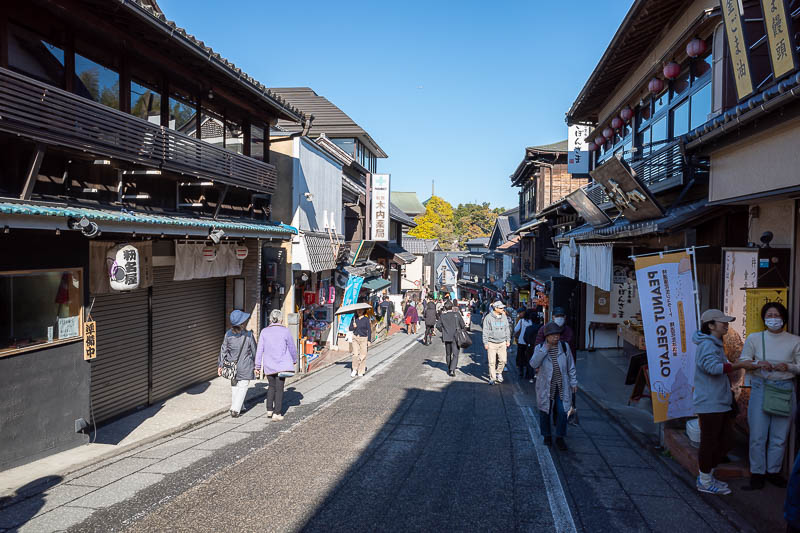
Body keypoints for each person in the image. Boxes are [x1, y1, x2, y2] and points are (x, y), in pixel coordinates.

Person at [739, 302, 800, 489]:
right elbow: (743, 360)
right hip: (761, 387)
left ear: (784, 318)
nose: (773, 319)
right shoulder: (755, 338)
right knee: (758, 434)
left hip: (784, 389)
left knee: (779, 435)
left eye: (777, 315)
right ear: (764, 318)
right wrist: (758, 363)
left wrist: (787, 366)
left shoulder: (795, 340)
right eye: (769, 315)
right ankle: (757, 473)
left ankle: (773, 471)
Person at [692, 309, 753, 494]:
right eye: (722, 322)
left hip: (719, 400)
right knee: (711, 441)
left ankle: (707, 475)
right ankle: (704, 480)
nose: (726, 325)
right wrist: (740, 365)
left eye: (726, 322)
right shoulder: (707, 345)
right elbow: (713, 367)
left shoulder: (715, 343)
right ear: (710, 325)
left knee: (725, 440)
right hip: (710, 401)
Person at [530, 322, 577, 450]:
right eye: (553, 335)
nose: (556, 337)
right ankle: (547, 436)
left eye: (558, 335)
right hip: (546, 386)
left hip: (562, 385)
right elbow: (533, 363)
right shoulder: (540, 347)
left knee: (563, 412)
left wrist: (573, 382)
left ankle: (560, 437)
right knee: (545, 411)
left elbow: (570, 366)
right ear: (547, 336)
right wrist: (545, 349)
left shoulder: (564, 346)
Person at [255, 309, 298, 421]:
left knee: (271, 386)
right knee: (279, 389)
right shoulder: (285, 331)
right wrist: (294, 359)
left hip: (269, 365)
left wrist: (257, 366)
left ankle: (269, 410)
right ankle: (277, 413)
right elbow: (292, 347)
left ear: (270, 319)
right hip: (282, 365)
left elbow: (259, 350)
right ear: (281, 319)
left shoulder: (264, 331)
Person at [217, 310, 257, 418]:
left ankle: (241, 406)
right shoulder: (249, 335)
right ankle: (235, 409)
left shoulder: (228, 335)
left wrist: (220, 365)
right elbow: (254, 351)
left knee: (235, 386)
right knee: (243, 386)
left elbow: (223, 350)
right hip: (245, 366)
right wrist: (257, 365)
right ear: (242, 323)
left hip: (231, 365)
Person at [482, 300, 511, 385]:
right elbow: (485, 331)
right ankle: (492, 378)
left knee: (503, 360)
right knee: (492, 362)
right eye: (501, 308)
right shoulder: (488, 318)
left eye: (503, 307)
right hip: (491, 343)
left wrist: (508, 340)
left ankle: (498, 372)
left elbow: (507, 329)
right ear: (495, 308)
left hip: (502, 342)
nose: (503, 309)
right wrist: (485, 342)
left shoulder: (504, 317)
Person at [436, 300, 467, 377]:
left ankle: (449, 367)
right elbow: (463, 325)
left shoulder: (443, 316)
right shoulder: (457, 314)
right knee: (455, 354)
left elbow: (438, 325)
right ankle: (452, 369)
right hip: (456, 336)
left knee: (448, 354)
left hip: (447, 336)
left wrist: (443, 331)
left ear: (445, 308)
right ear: (452, 307)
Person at [349, 308, 372, 377]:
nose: (359, 311)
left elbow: (369, 330)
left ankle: (361, 371)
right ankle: (355, 369)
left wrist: (369, 340)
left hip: (363, 338)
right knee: (355, 354)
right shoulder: (354, 318)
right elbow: (350, 328)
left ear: (363, 311)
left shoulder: (366, 319)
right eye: (358, 310)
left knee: (363, 355)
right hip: (355, 338)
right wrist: (353, 327)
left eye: (361, 310)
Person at [514, 309, 535, 380]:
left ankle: (521, 372)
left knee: (520, 357)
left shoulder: (521, 321)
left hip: (521, 341)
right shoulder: (532, 322)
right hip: (529, 342)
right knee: (528, 357)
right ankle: (528, 373)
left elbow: (516, 329)